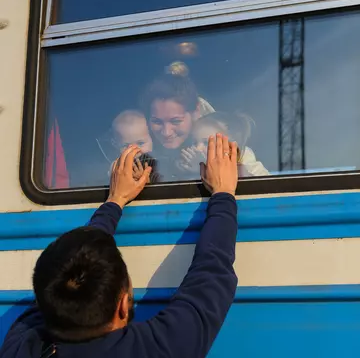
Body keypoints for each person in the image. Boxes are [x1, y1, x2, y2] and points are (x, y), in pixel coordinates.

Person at [0, 134, 239, 358]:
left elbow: (212, 272)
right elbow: (212, 270)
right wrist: (223, 191)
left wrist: (115, 200)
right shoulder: (158, 348)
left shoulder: (21, 345)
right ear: (123, 306)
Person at [141, 63, 215, 181]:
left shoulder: (224, 147)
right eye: (157, 122)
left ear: (196, 111)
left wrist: (205, 170)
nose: (166, 132)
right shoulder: (138, 147)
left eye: (176, 121)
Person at [178, 111, 270, 178]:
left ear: (230, 148)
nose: (197, 148)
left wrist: (204, 169)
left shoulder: (248, 165)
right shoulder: (190, 163)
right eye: (195, 142)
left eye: (206, 142)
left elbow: (262, 187)